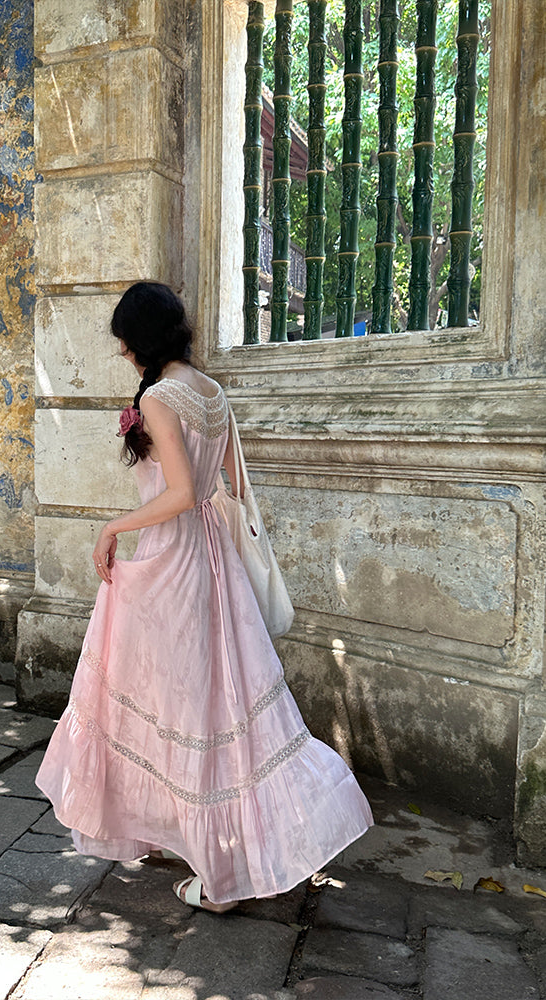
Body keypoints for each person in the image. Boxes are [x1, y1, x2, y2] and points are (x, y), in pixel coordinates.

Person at [35, 281, 372, 913]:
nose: (125, 356)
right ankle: (185, 835)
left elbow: (183, 491)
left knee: (181, 703)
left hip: (175, 562)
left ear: (139, 340)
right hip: (213, 559)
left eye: (125, 344)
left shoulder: (162, 398)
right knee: (204, 701)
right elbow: (221, 484)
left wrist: (112, 527)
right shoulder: (210, 390)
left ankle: (220, 878)